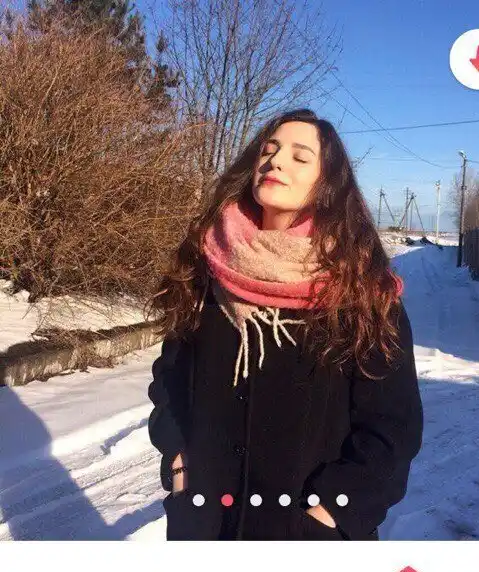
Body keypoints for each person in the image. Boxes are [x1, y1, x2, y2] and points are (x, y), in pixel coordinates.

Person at [147, 107, 423, 540]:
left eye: (299, 156)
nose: (275, 161)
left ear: (327, 183)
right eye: (269, 150)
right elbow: (171, 377)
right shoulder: (208, 268)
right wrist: (179, 463)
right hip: (205, 526)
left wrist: (332, 512)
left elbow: (392, 427)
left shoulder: (360, 291)